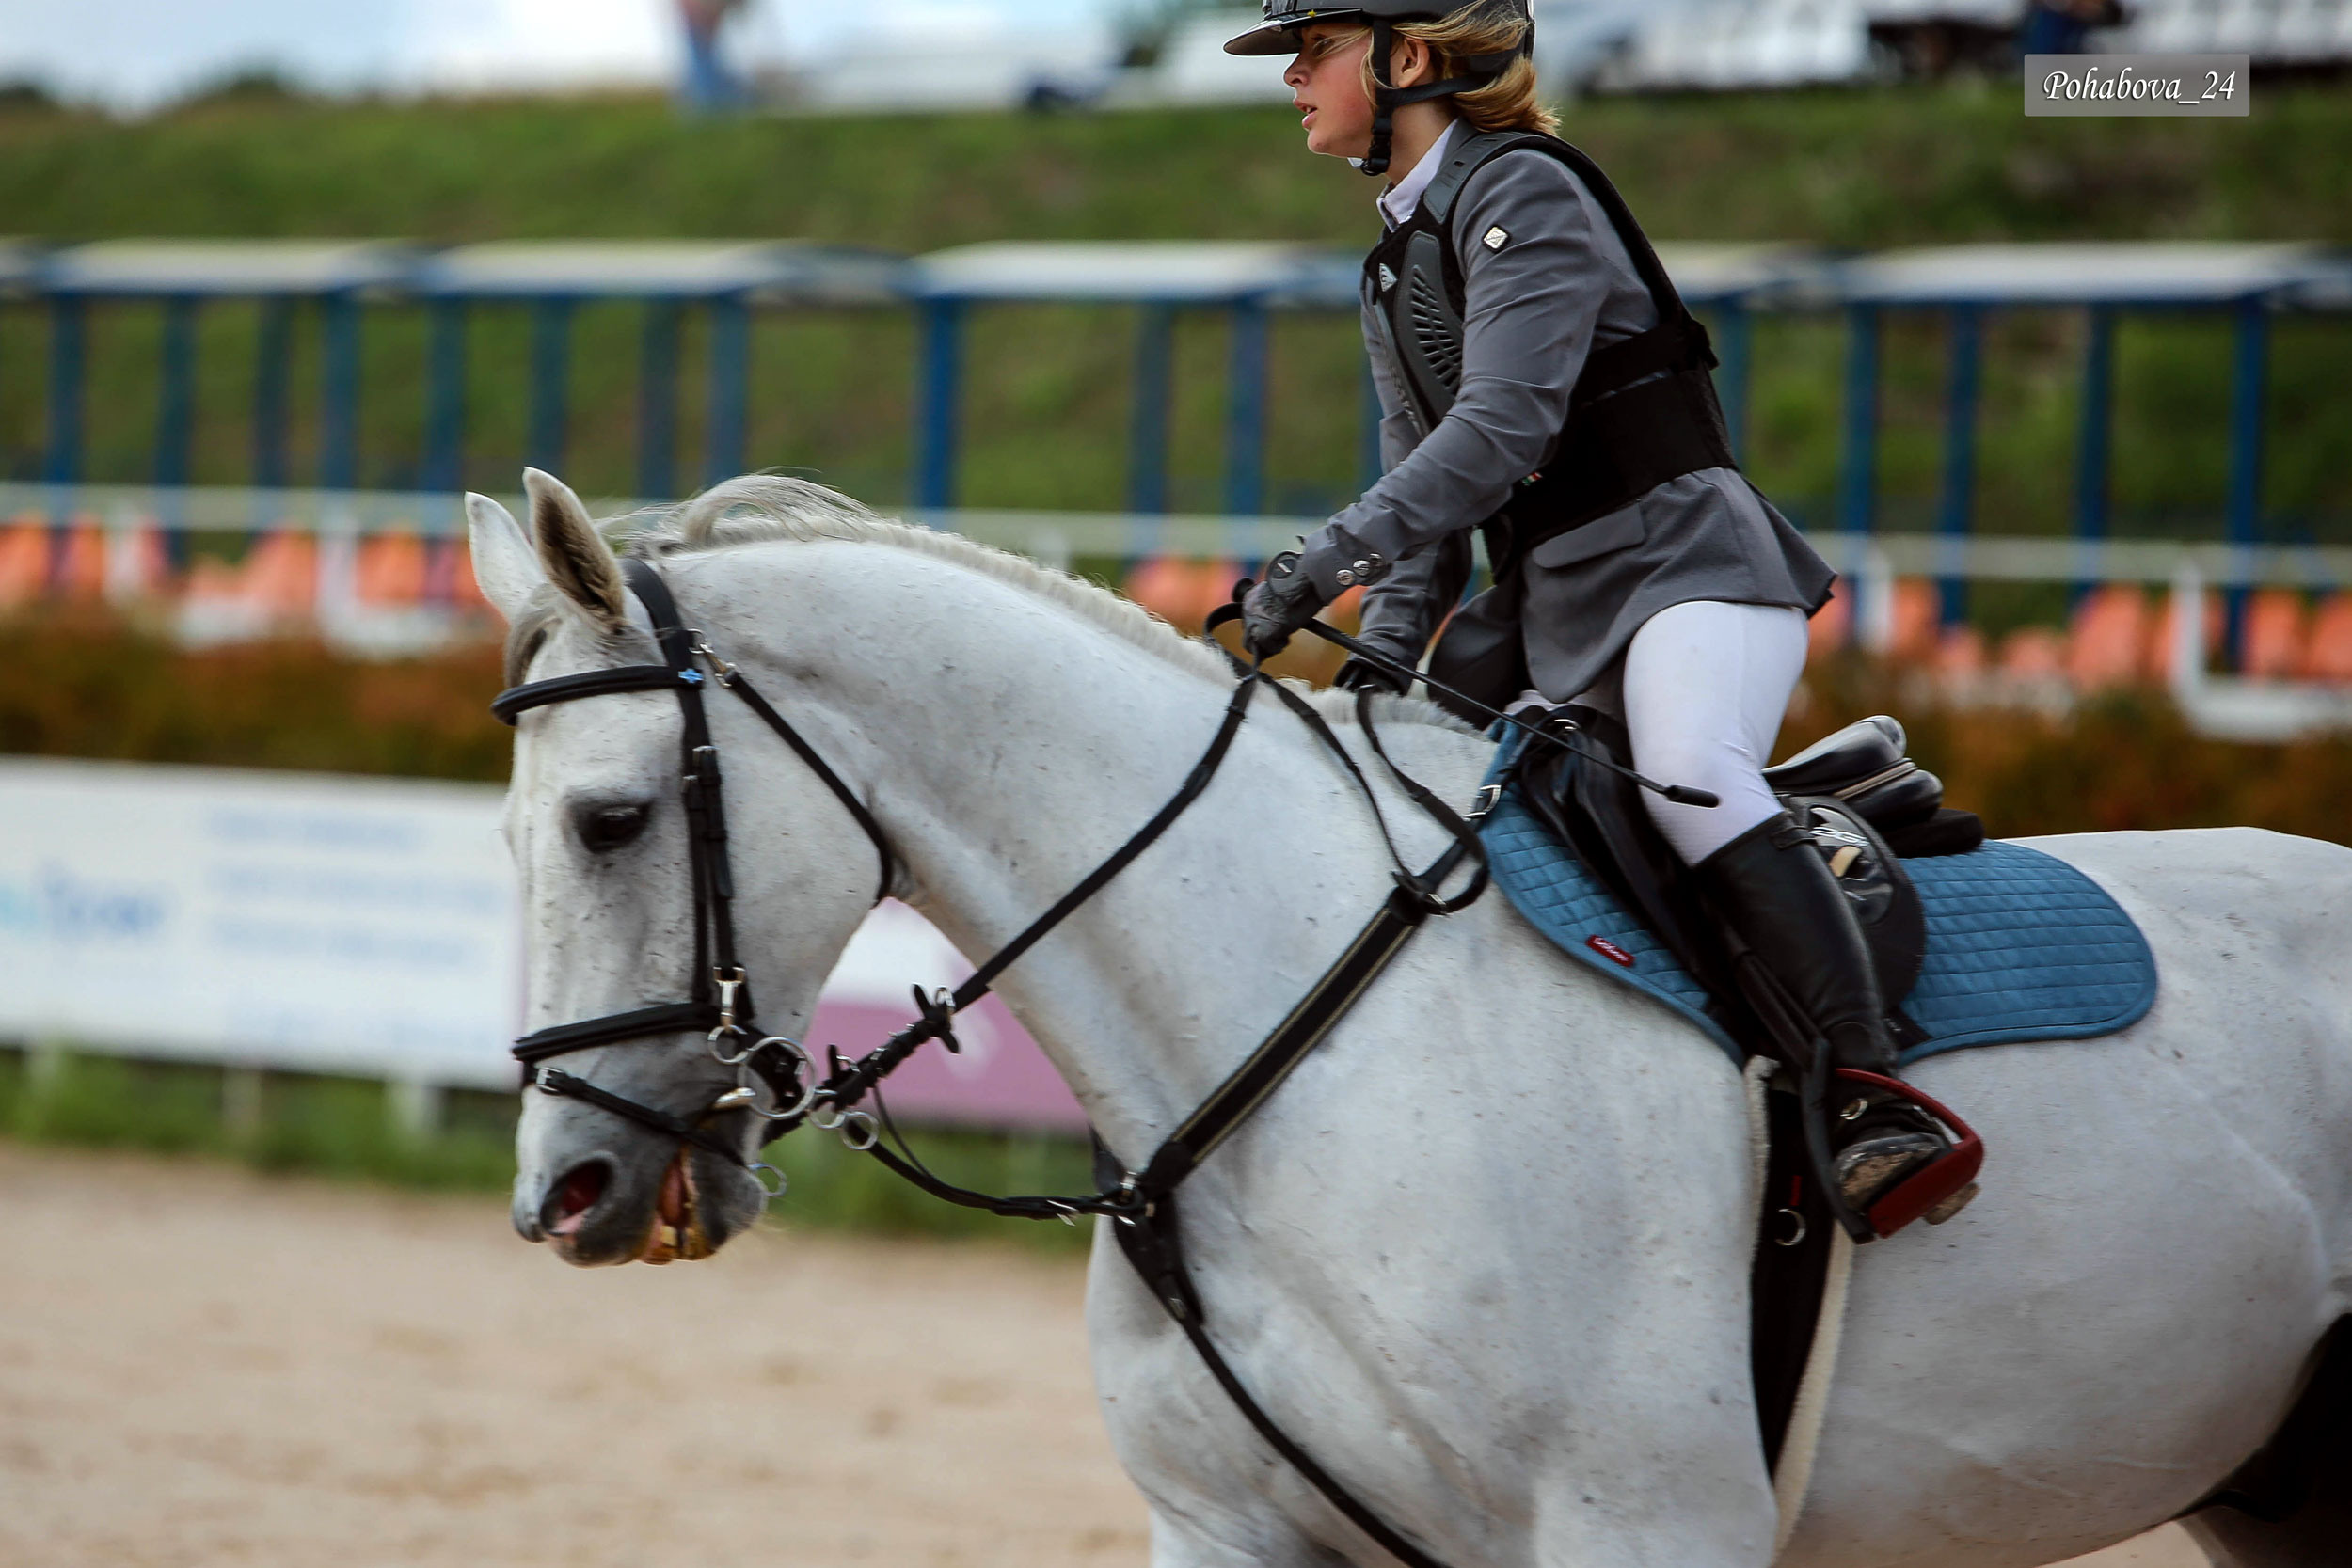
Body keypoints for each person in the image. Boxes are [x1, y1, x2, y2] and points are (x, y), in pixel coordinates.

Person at [1230, 0, 1976, 1227]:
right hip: (1549, 609)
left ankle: (1868, 1095)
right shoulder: (1393, 263)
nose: (1294, 77)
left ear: (1407, 57)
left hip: (1687, 571)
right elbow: (1434, 514)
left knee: (1689, 770)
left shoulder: (1528, 193)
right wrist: (1373, 682)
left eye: (1314, 48)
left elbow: (1500, 433)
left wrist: (1322, 557)